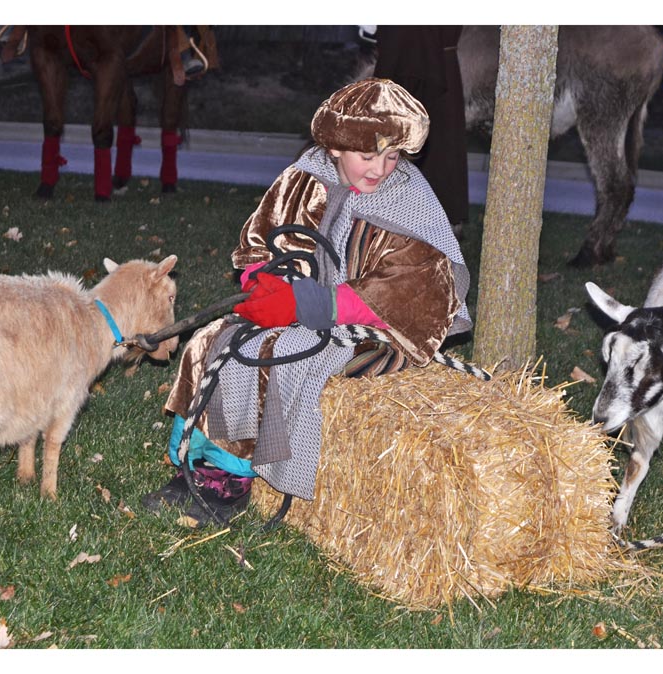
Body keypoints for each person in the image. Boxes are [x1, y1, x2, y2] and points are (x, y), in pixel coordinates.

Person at [141, 78, 472, 526]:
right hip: (299, 306)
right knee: (213, 341)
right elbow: (262, 241)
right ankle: (199, 465)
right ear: (335, 147)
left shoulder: (411, 201)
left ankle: (229, 483)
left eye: (392, 156)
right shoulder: (305, 176)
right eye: (367, 155)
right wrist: (265, 282)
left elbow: (411, 294)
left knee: (280, 358)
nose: (380, 168)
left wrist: (307, 305)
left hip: (372, 331)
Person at [372, 26, 470, 238]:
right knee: (403, 139)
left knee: (403, 137)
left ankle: (417, 220)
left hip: (412, 59)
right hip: (414, 59)